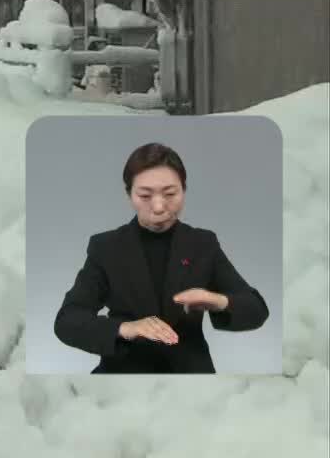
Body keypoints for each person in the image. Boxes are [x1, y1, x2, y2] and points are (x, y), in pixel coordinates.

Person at [53, 141, 269, 373]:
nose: (158, 207)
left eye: (170, 194)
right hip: (123, 374)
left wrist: (217, 301)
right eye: (145, 195)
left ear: (184, 190)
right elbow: (68, 320)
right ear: (129, 195)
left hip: (190, 375)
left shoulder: (202, 243)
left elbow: (256, 309)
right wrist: (125, 328)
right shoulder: (106, 247)